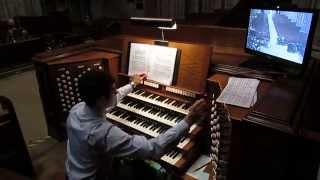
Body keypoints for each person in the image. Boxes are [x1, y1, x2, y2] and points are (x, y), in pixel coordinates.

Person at [65, 71, 208, 180]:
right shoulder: (102, 133)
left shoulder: (77, 109)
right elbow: (154, 149)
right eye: (113, 90)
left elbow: (108, 103)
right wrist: (188, 120)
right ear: (101, 99)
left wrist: (133, 85)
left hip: (73, 171)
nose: (116, 92)